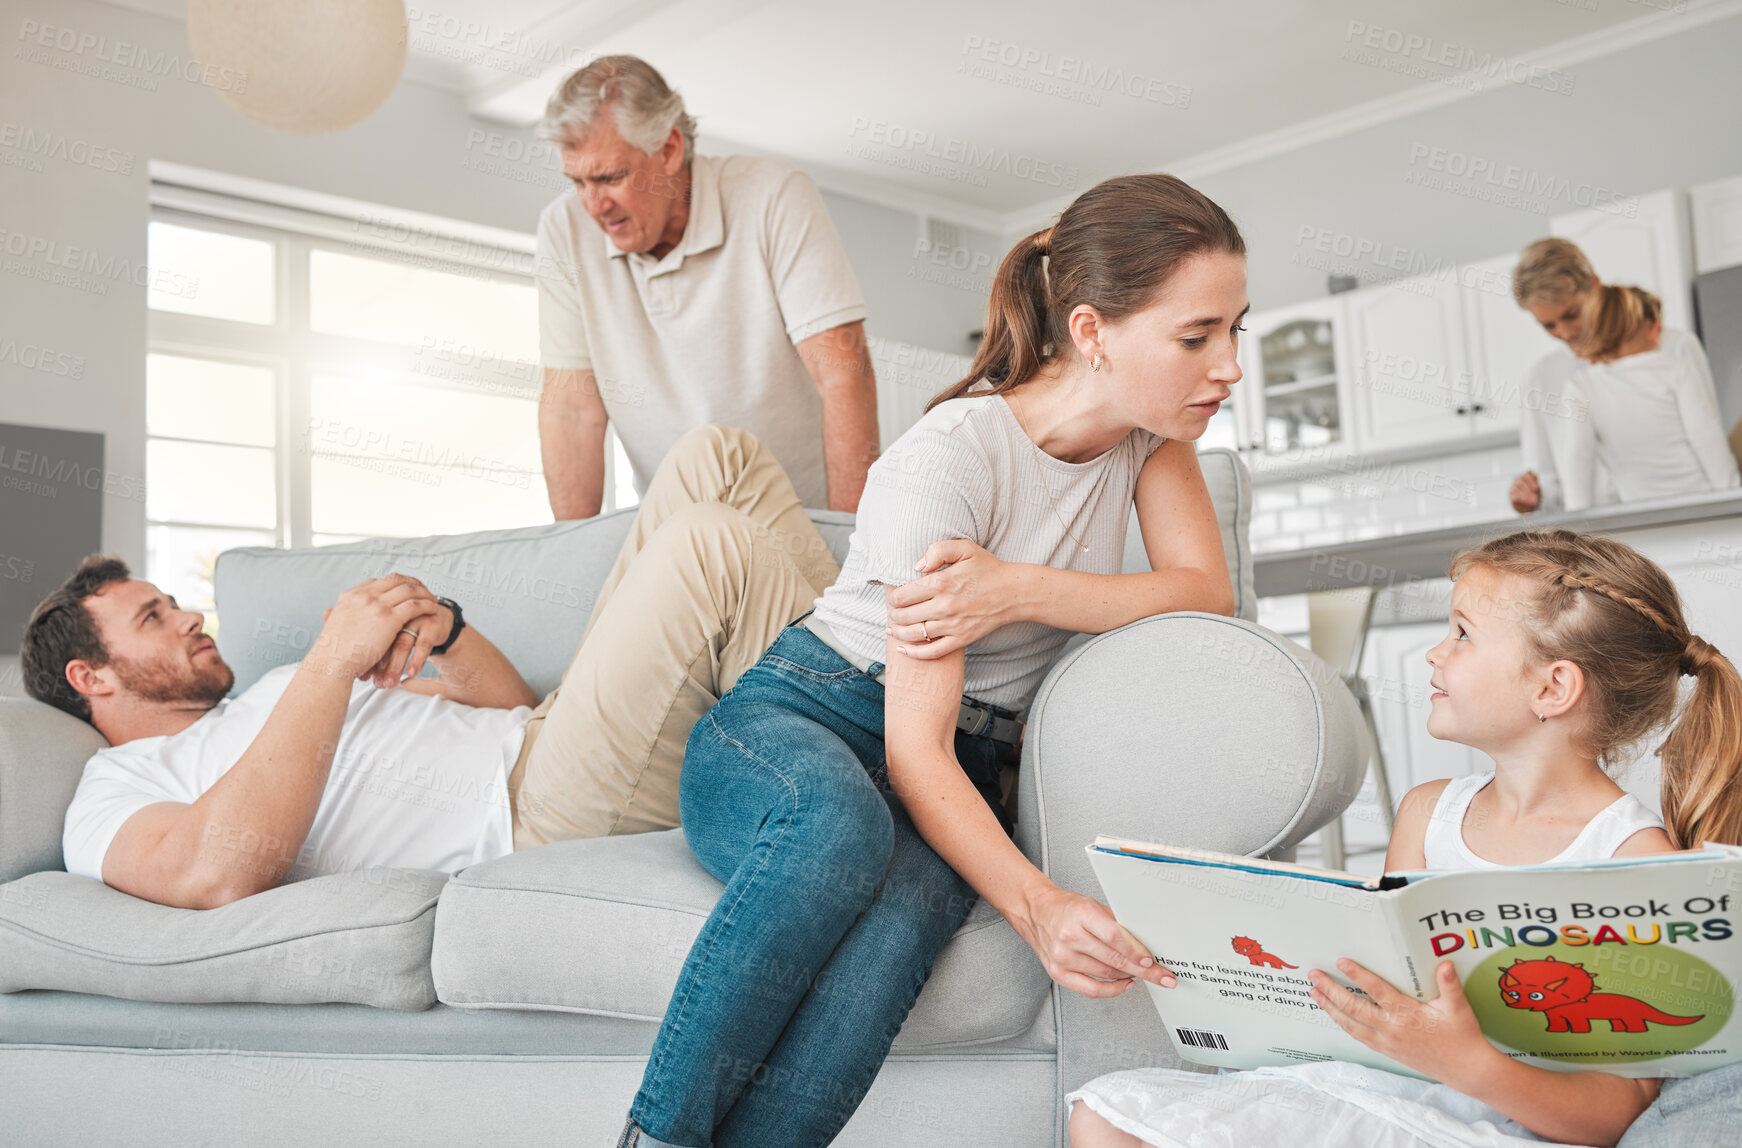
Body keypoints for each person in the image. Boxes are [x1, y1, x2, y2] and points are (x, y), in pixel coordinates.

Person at [616, 172, 1245, 1148]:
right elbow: (912, 750)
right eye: (1196, 335)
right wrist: (1037, 908)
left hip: (963, 758)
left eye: (1236, 329)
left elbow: (1205, 589)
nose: (1229, 366)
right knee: (836, 829)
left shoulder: (1150, 442)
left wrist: (1018, 587)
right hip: (805, 717)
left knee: (911, 905)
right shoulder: (945, 457)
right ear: (1091, 331)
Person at [28, 423, 953, 908]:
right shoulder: (114, 789)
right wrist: (329, 664)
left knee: (720, 459)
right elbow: (214, 874)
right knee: (712, 545)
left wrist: (450, 633)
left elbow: (509, 707)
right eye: (153, 617)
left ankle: (891, 699)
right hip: (532, 816)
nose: (190, 615)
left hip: (545, 743)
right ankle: (927, 742)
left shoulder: (262, 697)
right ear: (92, 679)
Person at [1068, 528, 1742, 1148]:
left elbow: (1616, 1114)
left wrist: (1470, 1064)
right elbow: (1377, 982)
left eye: (1463, 633)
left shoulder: (1634, 860)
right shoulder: (1427, 814)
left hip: (1490, 1122)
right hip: (1366, 1088)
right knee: (1103, 1117)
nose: (1436, 652)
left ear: (1553, 686)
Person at [534, 54, 879, 517]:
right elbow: (572, 410)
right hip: (672, 529)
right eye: (577, 181)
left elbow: (842, 369)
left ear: (670, 150)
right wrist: (570, 566)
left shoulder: (773, 196)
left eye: (609, 177)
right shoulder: (565, 230)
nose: (594, 206)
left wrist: (853, 544)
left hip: (803, 521)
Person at [1506, 239, 1718, 515]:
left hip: (1688, 518)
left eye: (1571, 314)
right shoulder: (1540, 379)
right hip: (1600, 543)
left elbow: (1709, 442)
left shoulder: (1675, 348)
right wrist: (1532, 500)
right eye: (1549, 325)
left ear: (1595, 284)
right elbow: (1549, 484)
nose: (1565, 333)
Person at [1559, 284, 1740, 510]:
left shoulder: (1581, 386)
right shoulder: (1677, 369)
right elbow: (1706, 437)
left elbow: (1578, 458)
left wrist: (1574, 526)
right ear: (1650, 327)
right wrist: (1732, 495)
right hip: (1702, 502)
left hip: (1642, 515)